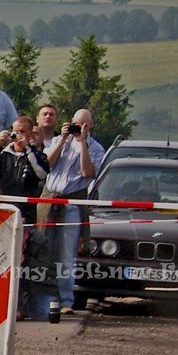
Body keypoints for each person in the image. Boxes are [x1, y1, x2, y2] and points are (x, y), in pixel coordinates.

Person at [0, 117, 52, 318]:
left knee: (19, 264)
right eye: (15, 131)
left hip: (24, 217)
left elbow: (40, 174)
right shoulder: (0, 154)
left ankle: (17, 306)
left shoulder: (37, 155)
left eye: (23, 131)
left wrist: (29, 150)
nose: (18, 135)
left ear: (31, 133)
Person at [42, 108, 104, 312]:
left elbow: (88, 172)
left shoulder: (95, 148)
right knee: (45, 251)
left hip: (72, 204)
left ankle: (66, 300)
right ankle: (45, 298)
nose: (79, 127)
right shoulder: (60, 140)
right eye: (76, 123)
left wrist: (82, 142)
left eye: (84, 124)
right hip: (50, 200)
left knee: (67, 255)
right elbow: (46, 165)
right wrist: (63, 139)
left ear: (91, 126)